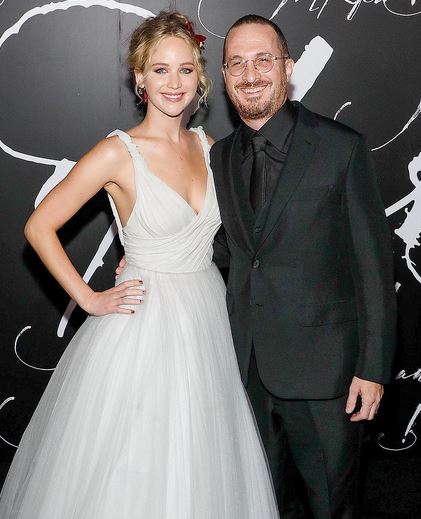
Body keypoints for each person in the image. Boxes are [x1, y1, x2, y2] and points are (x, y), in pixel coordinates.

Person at [0, 12, 280, 519]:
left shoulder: (210, 149)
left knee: (203, 459)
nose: (174, 83)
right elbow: (39, 226)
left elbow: (231, 241)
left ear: (201, 77)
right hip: (143, 324)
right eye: (159, 70)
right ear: (140, 79)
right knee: (137, 464)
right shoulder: (117, 153)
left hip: (208, 318)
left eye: (185, 70)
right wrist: (88, 297)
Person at [209, 14, 397, 519]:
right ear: (225, 77)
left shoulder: (341, 146)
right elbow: (227, 250)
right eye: (237, 64)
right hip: (245, 367)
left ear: (287, 68)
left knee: (331, 506)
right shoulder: (220, 157)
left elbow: (374, 266)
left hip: (326, 376)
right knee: (258, 503)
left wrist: (373, 369)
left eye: (263, 60)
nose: (251, 74)